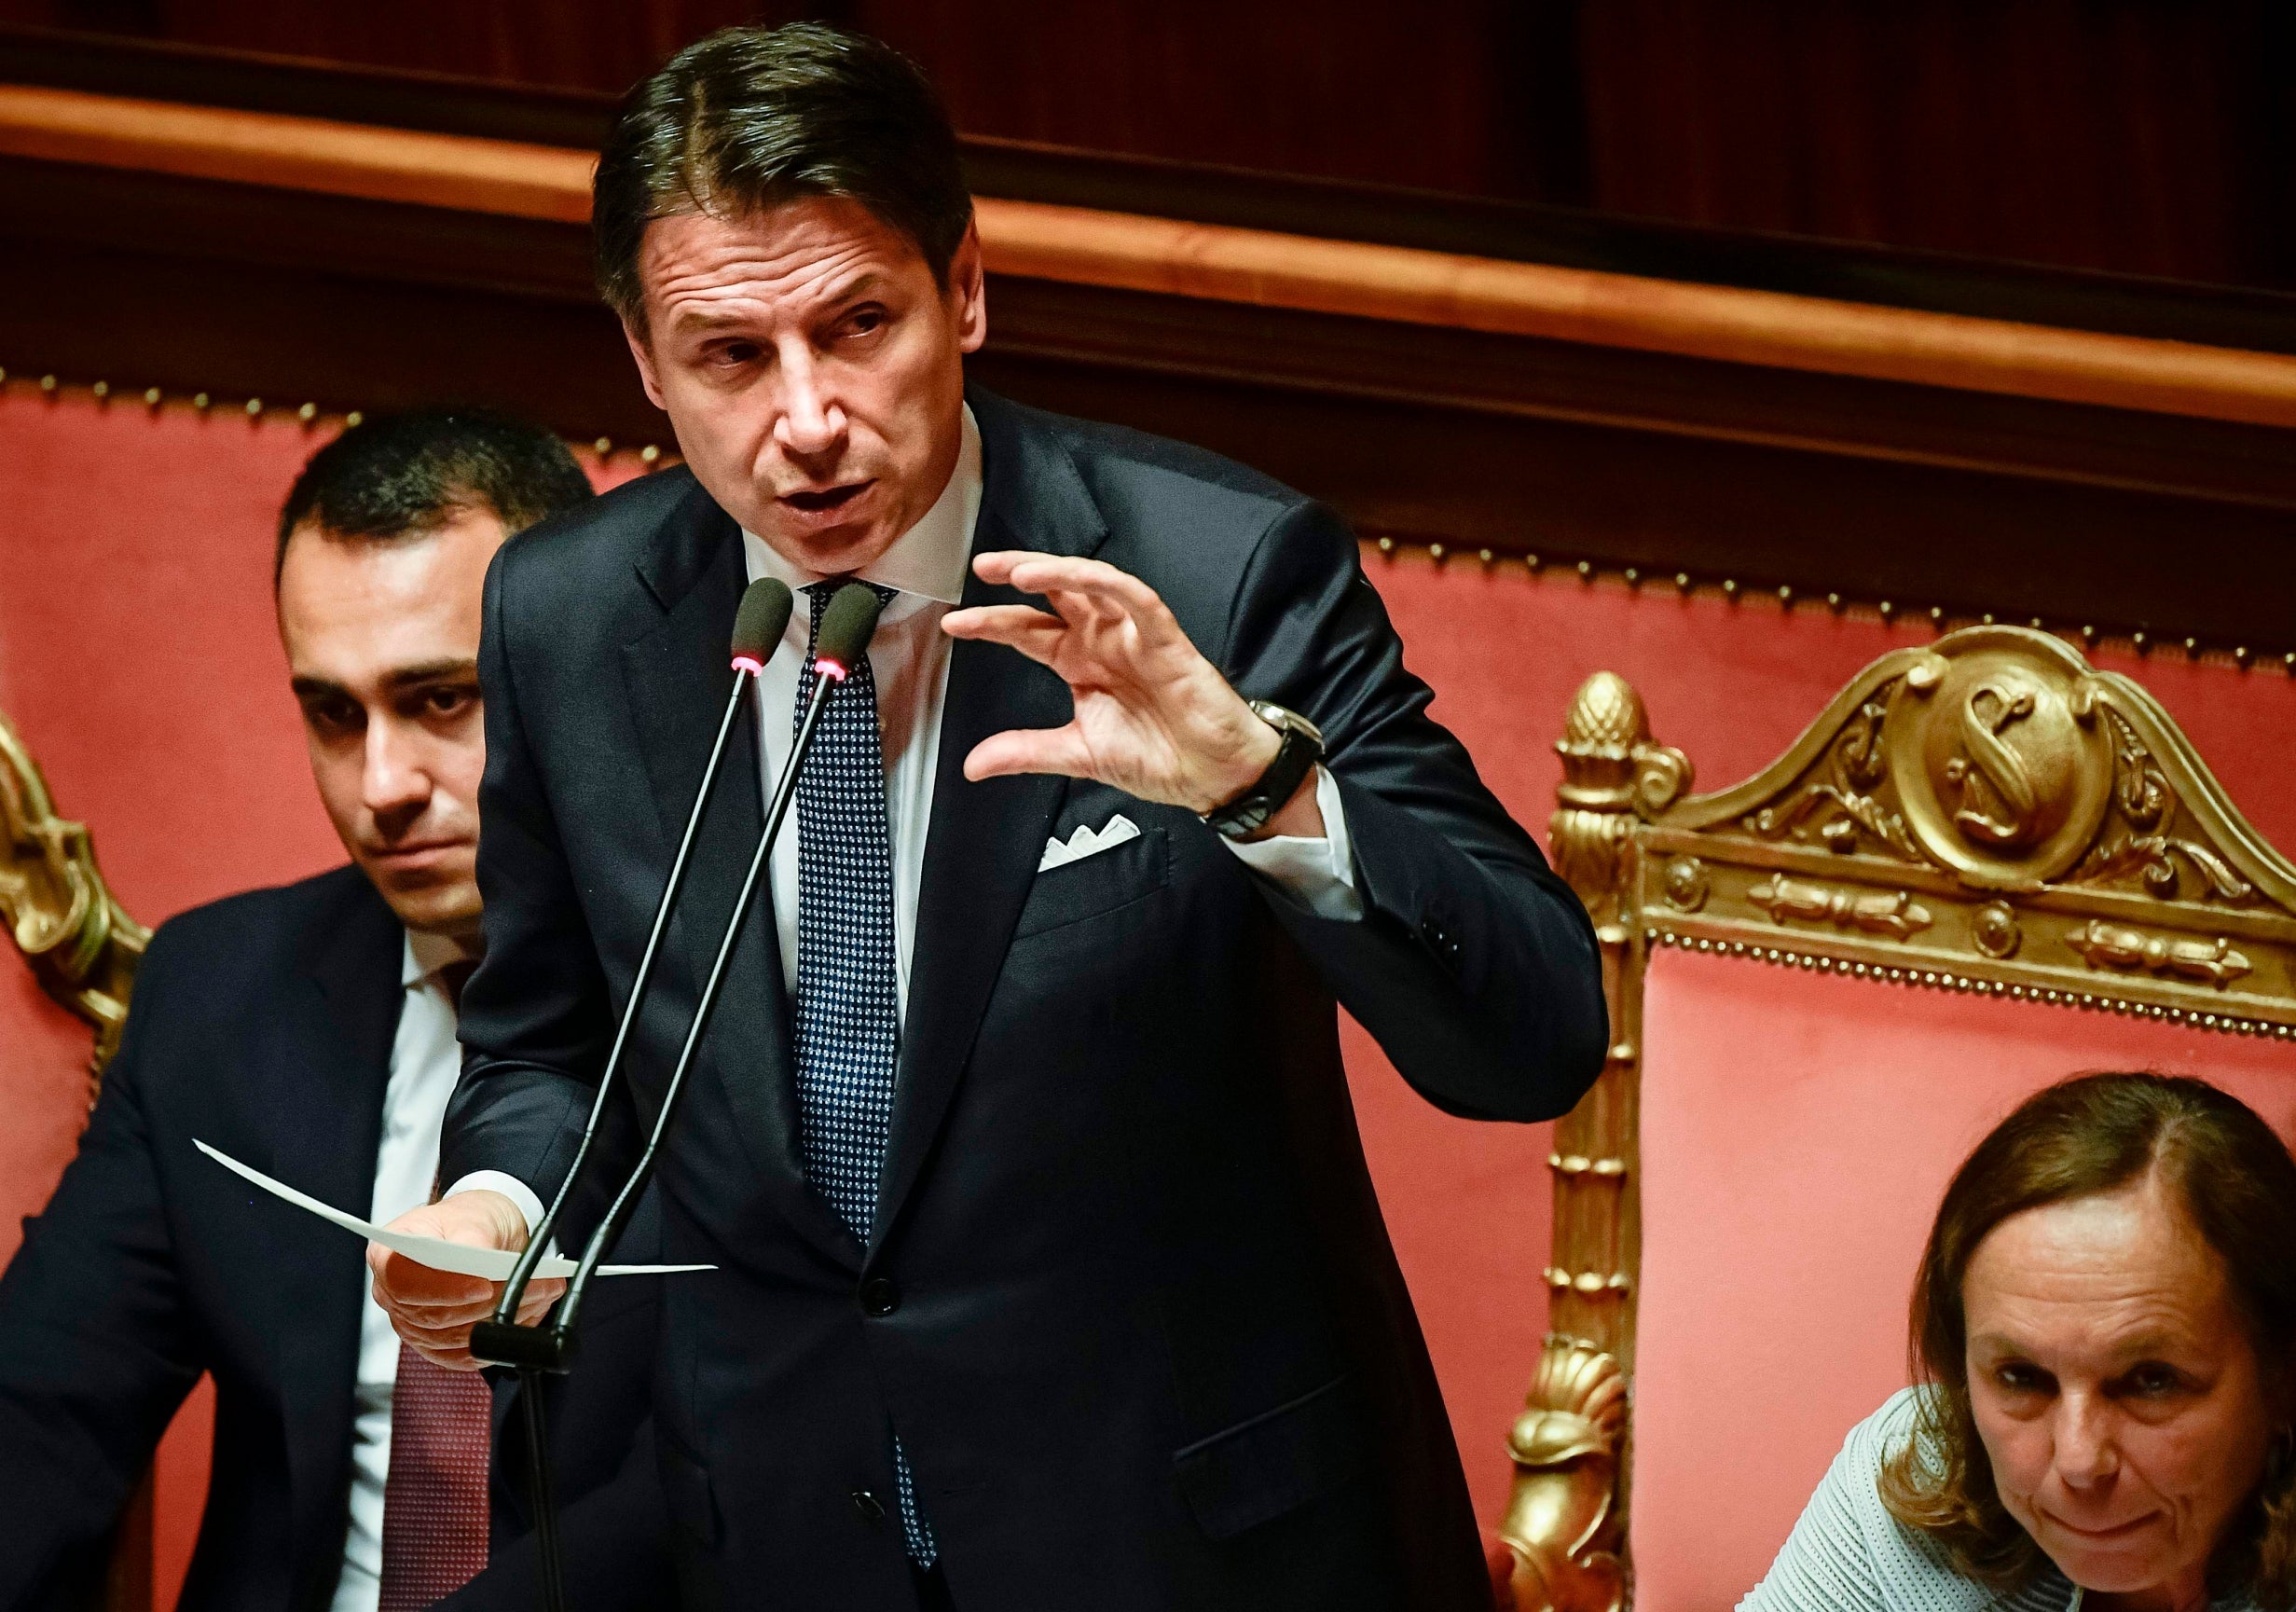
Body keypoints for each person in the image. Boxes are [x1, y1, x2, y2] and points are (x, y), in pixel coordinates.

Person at [367, 24, 1608, 1612]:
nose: (807, 418)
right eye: (732, 356)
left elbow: (1536, 1030)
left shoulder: (1217, 574)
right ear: (642, 359)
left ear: (961, 290)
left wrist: (1259, 782)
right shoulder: (567, 612)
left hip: (1181, 1546)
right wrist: (503, 1202)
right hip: (778, 1530)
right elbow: (549, 1040)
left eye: (857, 324)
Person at [0, 411, 671, 1612]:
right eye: (333, 713)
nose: (382, 786)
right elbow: (42, 1409)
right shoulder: (221, 993)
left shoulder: (740, 989)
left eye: (444, 699)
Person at [1744, 1071, 2296, 1612]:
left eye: (2151, 1381)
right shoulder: (1914, 1472)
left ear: (2287, 1372)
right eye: (2021, 1377)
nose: (2078, 1461)